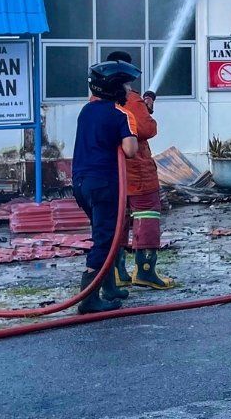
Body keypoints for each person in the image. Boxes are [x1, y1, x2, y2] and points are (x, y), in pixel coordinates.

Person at [72, 60, 140, 314]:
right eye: (126, 84)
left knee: (105, 232)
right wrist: (127, 129)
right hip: (104, 184)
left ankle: (109, 288)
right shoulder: (120, 114)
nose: (129, 89)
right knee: (105, 238)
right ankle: (89, 299)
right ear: (114, 88)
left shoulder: (86, 111)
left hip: (81, 183)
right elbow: (130, 150)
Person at [104, 52, 175, 291]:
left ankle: (117, 272)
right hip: (138, 172)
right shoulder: (130, 99)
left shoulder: (97, 98)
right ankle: (145, 271)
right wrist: (146, 110)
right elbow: (146, 129)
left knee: (118, 221)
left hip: (114, 173)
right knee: (147, 217)